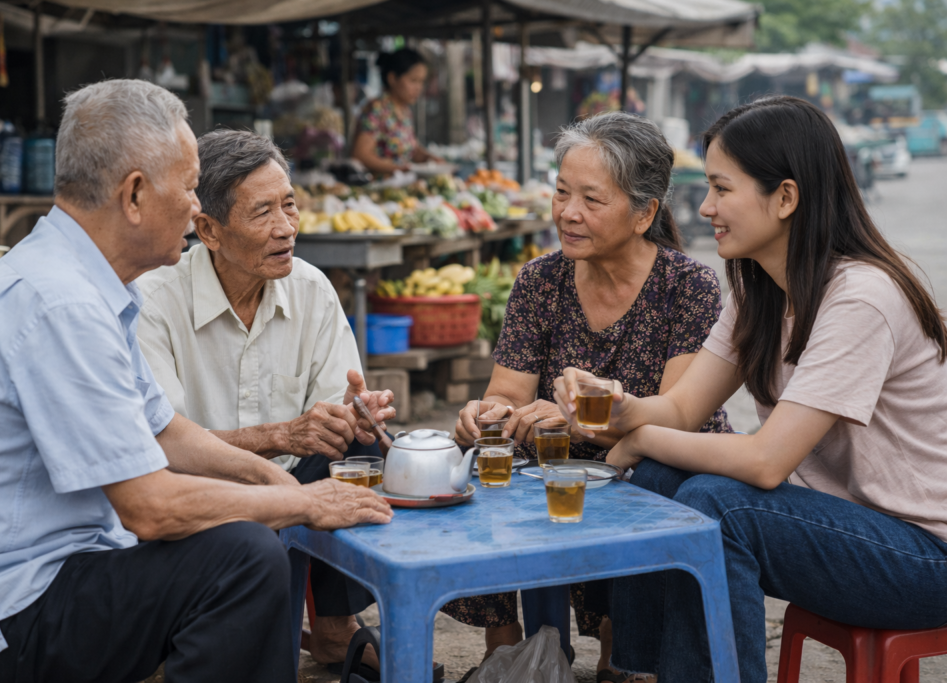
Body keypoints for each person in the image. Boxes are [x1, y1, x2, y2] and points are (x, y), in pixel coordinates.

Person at [0, 79, 393, 683]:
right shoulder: (59, 301)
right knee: (245, 558)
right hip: (1, 614)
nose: (196, 208)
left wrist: (275, 480)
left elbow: (165, 431)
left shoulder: (88, 284)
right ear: (136, 194)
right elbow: (150, 507)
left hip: (56, 574)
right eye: (191, 186)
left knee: (256, 537)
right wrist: (300, 501)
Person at [554, 95, 947, 683]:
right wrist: (622, 410)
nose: (707, 207)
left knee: (720, 505)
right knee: (661, 483)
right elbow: (684, 408)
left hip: (924, 558)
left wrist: (638, 440)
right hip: (849, 528)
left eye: (721, 188)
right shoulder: (760, 289)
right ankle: (642, 672)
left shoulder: (861, 298)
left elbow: (765, 463)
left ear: (785, 197)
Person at [447, 112, 732, 680]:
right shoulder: (539, 281)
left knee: (640, 480)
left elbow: (676, 417)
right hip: (562, 462)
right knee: (486, 464)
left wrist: (572, 419)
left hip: (654, 457)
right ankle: (504, 649)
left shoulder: (688, 286)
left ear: (644, 213)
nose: (567, 213)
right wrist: (486, 418)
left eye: (591, 200)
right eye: (560, 192)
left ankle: (621, 649)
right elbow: (506, 392)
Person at [136, 128, 393, 672]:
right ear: (208, 228)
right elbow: (156, 444)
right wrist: (278, 436)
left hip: (290, 475)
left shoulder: (311, 288)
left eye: (290, 206)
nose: (286, 229)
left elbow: (332, 414)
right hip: (194, 485)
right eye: (262, 213)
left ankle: (333, 627)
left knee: (363, 454)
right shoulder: (155, 299)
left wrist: (357, 418)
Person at [351, 48, 442, 176]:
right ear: (392, 78)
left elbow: (410, 149)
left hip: (404, 184)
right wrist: (397, 168)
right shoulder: (377, 109)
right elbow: (360, 154)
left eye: (422, 82)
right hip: (379, 189)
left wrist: (429, 158)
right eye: (413, 80)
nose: (419, 88)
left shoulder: (405, 110)